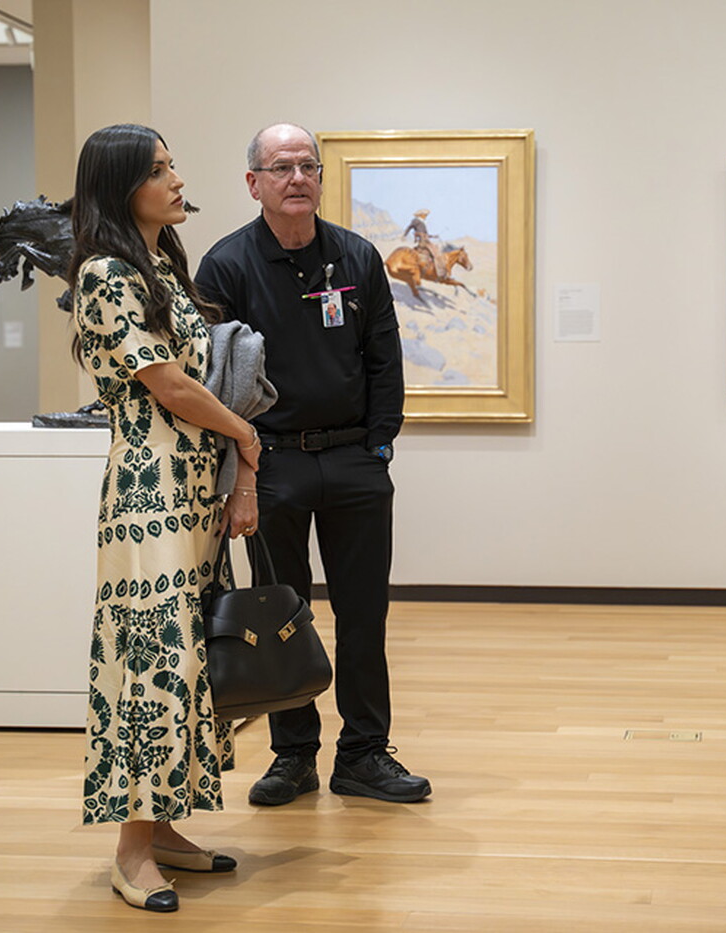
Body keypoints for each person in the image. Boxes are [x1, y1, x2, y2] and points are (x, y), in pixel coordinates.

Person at [194, 123, 431, 807]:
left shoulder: (356, 256)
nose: (296, 178)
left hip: (355, 461)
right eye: (280, 168)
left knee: (365, 615)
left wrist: (379, 446)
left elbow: (384, 359)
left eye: (307, 166)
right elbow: (216, 380)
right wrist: (244, 465)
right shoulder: (226, 266)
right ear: (254, 184)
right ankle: (292, 753)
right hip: (270, 465)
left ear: (320, 177)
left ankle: (362, 752)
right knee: (279, 612)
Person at [68, 123, 264, 913]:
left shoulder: (159, 267)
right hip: (148, 496)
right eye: (159, 169)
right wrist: (246, 434)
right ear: (123, 189)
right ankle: (131, 848)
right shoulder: (105, 273)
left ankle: (166, 827)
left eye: (173, 163)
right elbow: (169, 384)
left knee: (189, 662)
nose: (177, 179)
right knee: (152, 661)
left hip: (187, 493)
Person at [403, 208, 446, 277]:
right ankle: (439, 271)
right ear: (421, 215)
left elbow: (425, 233)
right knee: (435, 252)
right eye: (425, 215)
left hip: (425, 239)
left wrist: (433, 236)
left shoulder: (421, 222)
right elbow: (409, 227)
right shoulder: (416, 221)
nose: (426, 216)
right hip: (422, 240)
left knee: (436, 249)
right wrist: (404, 235)